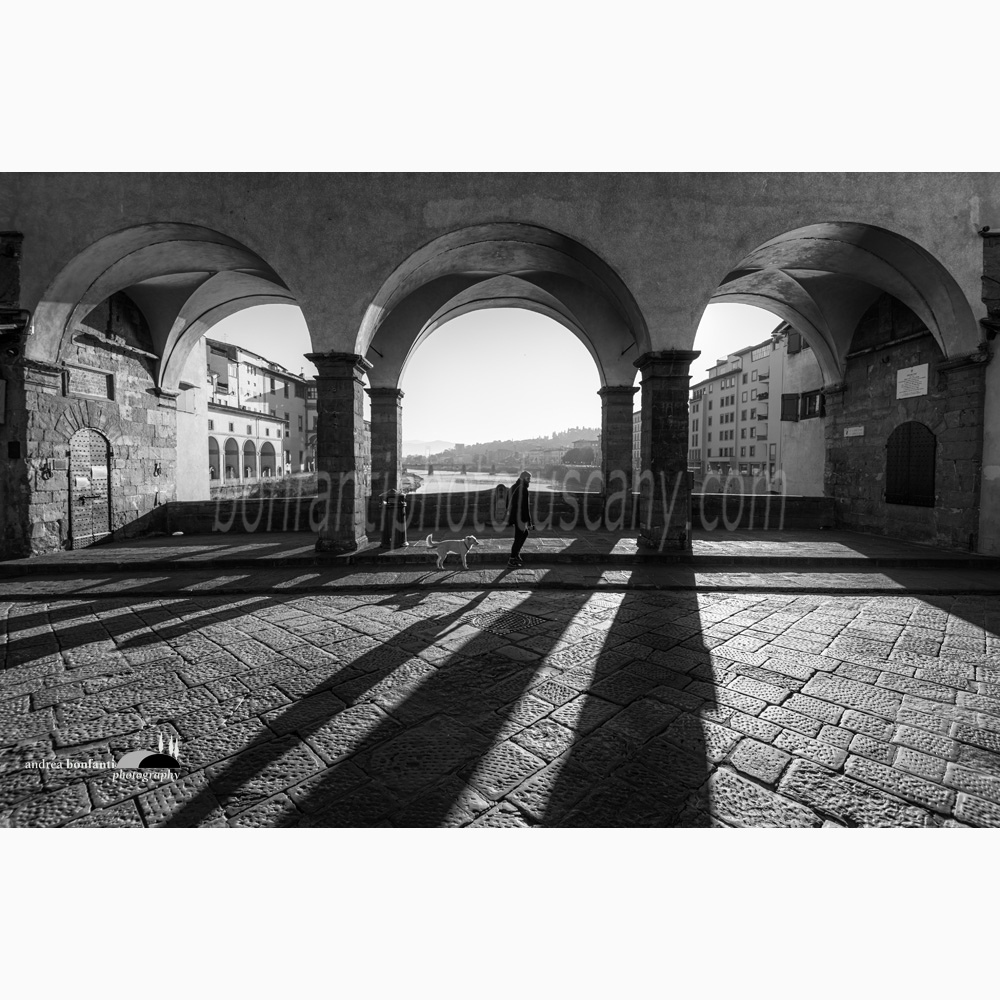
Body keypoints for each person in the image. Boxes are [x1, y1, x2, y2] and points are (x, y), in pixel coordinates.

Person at [506, 471, 534, 568]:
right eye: (528, 478)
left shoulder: (515, 486)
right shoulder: (523, 489)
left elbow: (506, 500)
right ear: (523, 478)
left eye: (530, 479)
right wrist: (529, 522)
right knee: (518, 538)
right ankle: (512, 559)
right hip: (520, 517)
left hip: (515, 516)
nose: (529, 481)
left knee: (524, 533)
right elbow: (526, 507)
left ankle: (516, 554)